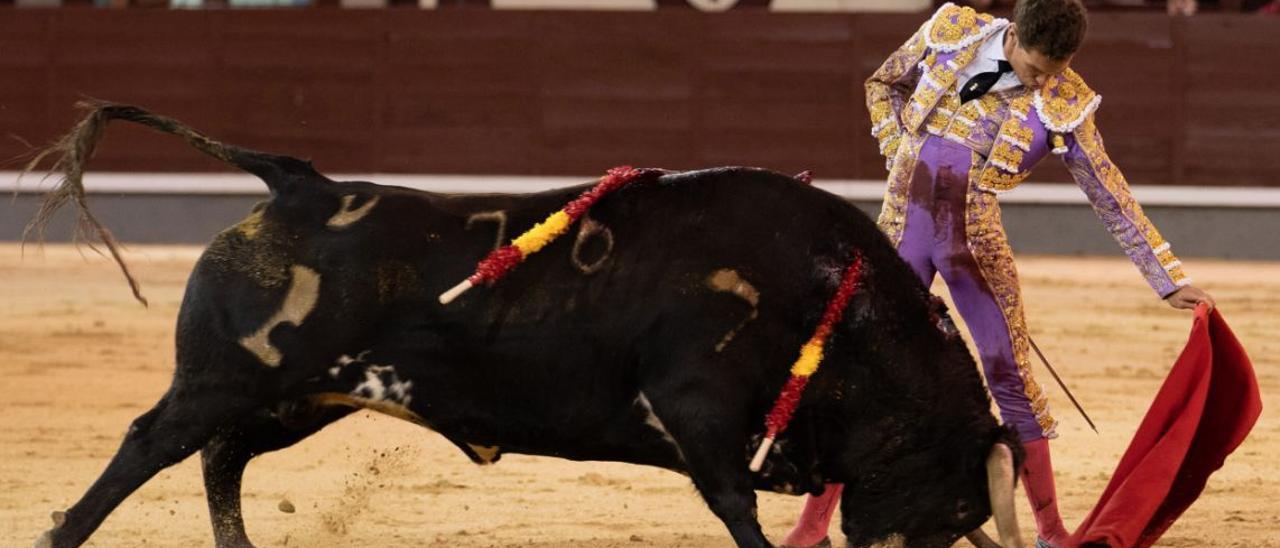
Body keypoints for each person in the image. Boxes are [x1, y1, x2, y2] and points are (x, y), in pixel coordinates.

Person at [781, 1, 1216, 547]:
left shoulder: (1066, 100)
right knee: (859, 374)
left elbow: (1108, 190)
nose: (1039, 81)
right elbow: (884, 82)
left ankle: (1052, 531)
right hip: (899, 232)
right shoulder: (950, 30)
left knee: (1011, 379)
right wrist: (899, 151)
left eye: (1052, 72)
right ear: (1013, 35)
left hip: (975, 246)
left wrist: (1166, 276)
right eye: (1035, 68)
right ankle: (810, 528)